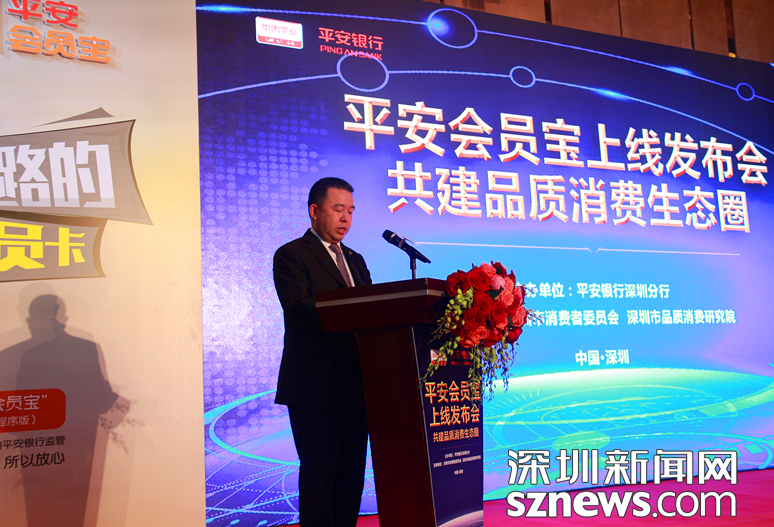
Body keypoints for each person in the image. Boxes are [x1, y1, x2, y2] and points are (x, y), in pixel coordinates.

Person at [273, 177, 372, 526]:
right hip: (315, 385)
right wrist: (353, 314)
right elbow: (298, 306)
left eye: (351, 211)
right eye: (338, 209)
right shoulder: (292, 255)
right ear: (315, 211)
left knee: (350, 476)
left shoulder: (356, 260)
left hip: (357, 384)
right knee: (319, 477)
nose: (346, 218)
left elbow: (372, 311)